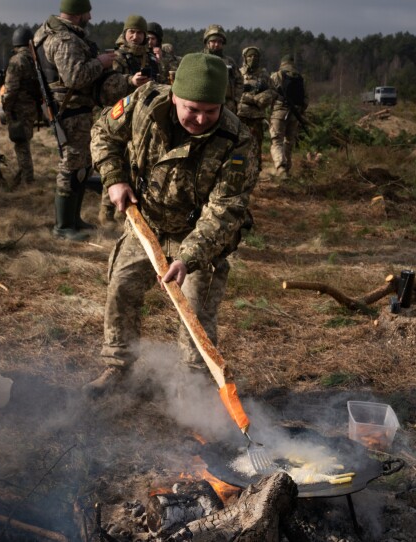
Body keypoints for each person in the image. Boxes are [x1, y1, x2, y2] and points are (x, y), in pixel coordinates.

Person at [85, 53, 259, 395]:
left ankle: (193, 388)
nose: (200, 119)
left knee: (195, 313)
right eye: (192, 109)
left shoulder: (237, 142)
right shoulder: (144, 102)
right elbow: (103, 132)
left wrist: (188, 257)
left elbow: (224, 210)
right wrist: (115, 179)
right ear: (174, 96)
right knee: (122, 288)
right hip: (145, 222)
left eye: (211, 111)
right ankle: (118, 369)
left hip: (198, 237)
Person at [33, 0, 117, 241]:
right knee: (71, 165)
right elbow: (75, 77)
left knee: (81, 165)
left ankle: (73, 219)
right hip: (70, 111)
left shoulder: (54, 33)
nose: (90, 17)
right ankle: (62, 226)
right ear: (78, 13)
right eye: (87, 12)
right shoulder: (64, 39)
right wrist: (101, 63)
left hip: (73, 110)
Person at [97, 14, 158, 227]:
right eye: (131, 31)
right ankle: (106, 211)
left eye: (140, 32)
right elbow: (106, 87)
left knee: (135, 162)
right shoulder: (116, 57)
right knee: (115, 161)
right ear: (125, 33)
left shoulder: (150, 59)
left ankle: (125, 212)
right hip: (118, 115)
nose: (135, 36)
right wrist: (129, 81)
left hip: (142, 117)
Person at [1, 26, 41, 185]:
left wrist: (6, 107)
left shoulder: (16, 61)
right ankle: (22, 174)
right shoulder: (35, 59)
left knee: (21, 145)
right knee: (24, 141)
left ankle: (27, 180)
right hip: (32, 107)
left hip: (18, 109)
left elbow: (10, 89)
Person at [269, 54, 307, 179]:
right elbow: (306, 99)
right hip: (295, 114)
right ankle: (287, 169)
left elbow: (270, 95)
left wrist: (270, 110)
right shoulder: (300, 78)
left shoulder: (277, 75)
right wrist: (300, 112)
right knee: (289, 142)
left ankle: (280, 167)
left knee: (277, 140)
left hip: (279, 112)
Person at [237, 46, 274, 174]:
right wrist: (250, 98)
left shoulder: (264, 75)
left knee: (255, 147)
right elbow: (233, 93)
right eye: (250, 56)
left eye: (255, 57)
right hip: (240, 116)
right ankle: (237, 173)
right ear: (244, 58)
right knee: (238, 147)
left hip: (256, 118)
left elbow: (271, 93)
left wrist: (259, 99)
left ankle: (254, 174)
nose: (252, 59)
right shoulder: (239, 73)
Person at [201, 24, 242, 114]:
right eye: (213, 41)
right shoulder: (199, 59)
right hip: (204, 105)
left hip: (227, 106)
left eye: (219, 42)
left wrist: (235, 100)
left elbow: (239, 81)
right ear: (207, 42)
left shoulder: (230, 62)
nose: (216, 44)